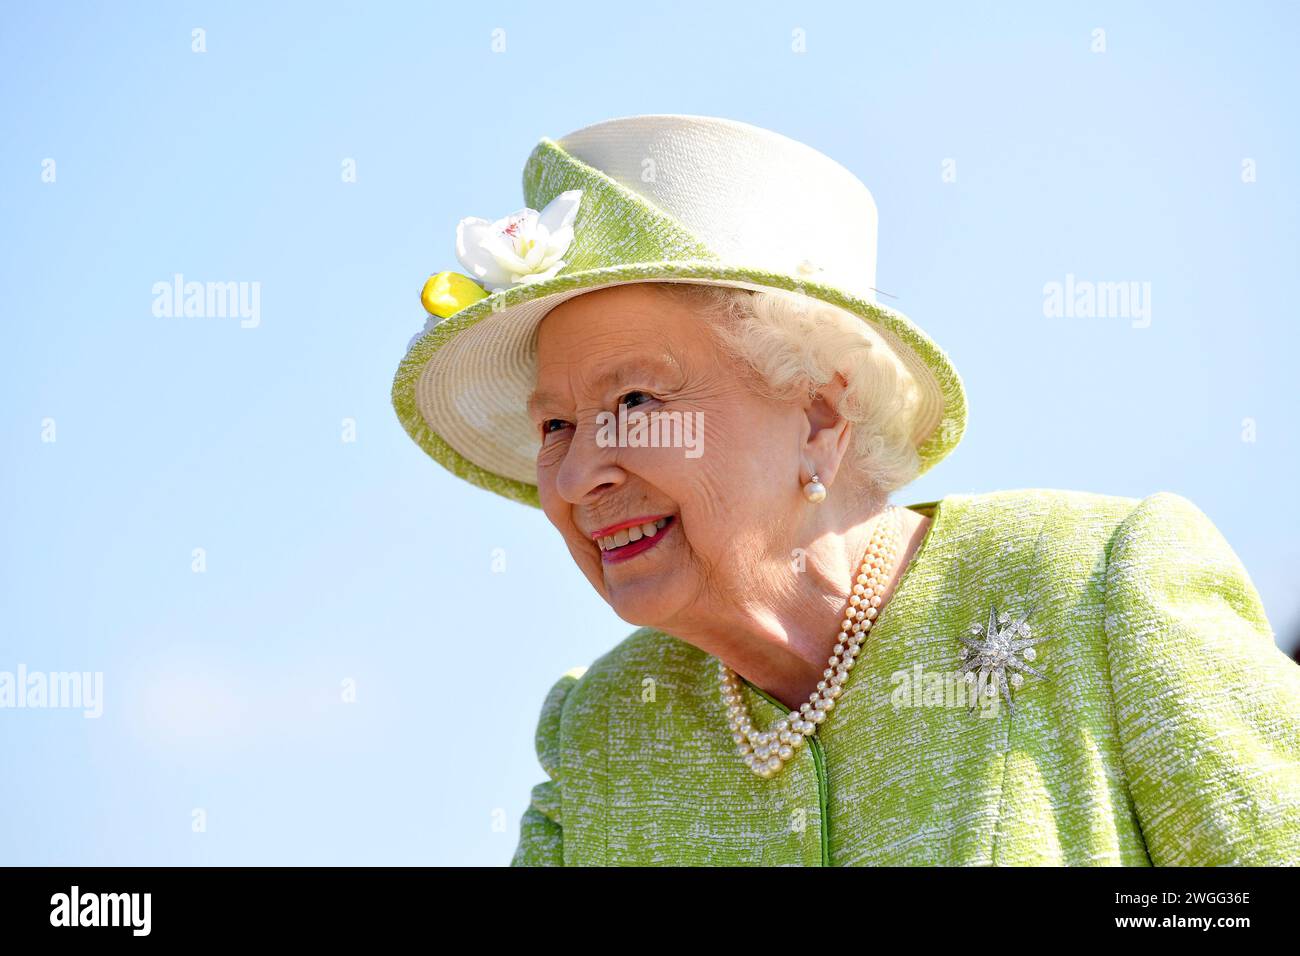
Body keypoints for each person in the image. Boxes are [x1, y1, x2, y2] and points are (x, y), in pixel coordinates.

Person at [391, 114, 1300, 865]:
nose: (583, 473)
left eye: (635, 401)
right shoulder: (602, 735)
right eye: (555, 425)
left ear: (819, 419)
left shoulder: (1098, 590)